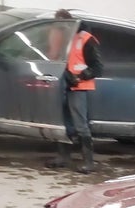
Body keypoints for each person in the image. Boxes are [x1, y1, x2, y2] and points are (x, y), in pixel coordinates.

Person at [45, 10, 103, 174]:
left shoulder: (85, 39)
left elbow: (98, 68)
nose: (59, 27)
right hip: (62, 86)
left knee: (80, 125)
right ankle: (63, 157)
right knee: (64, 124)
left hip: (79, 86)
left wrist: (80, 76)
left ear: (69, 23)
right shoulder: (63, 39)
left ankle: (89, 162)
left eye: (61, 24)